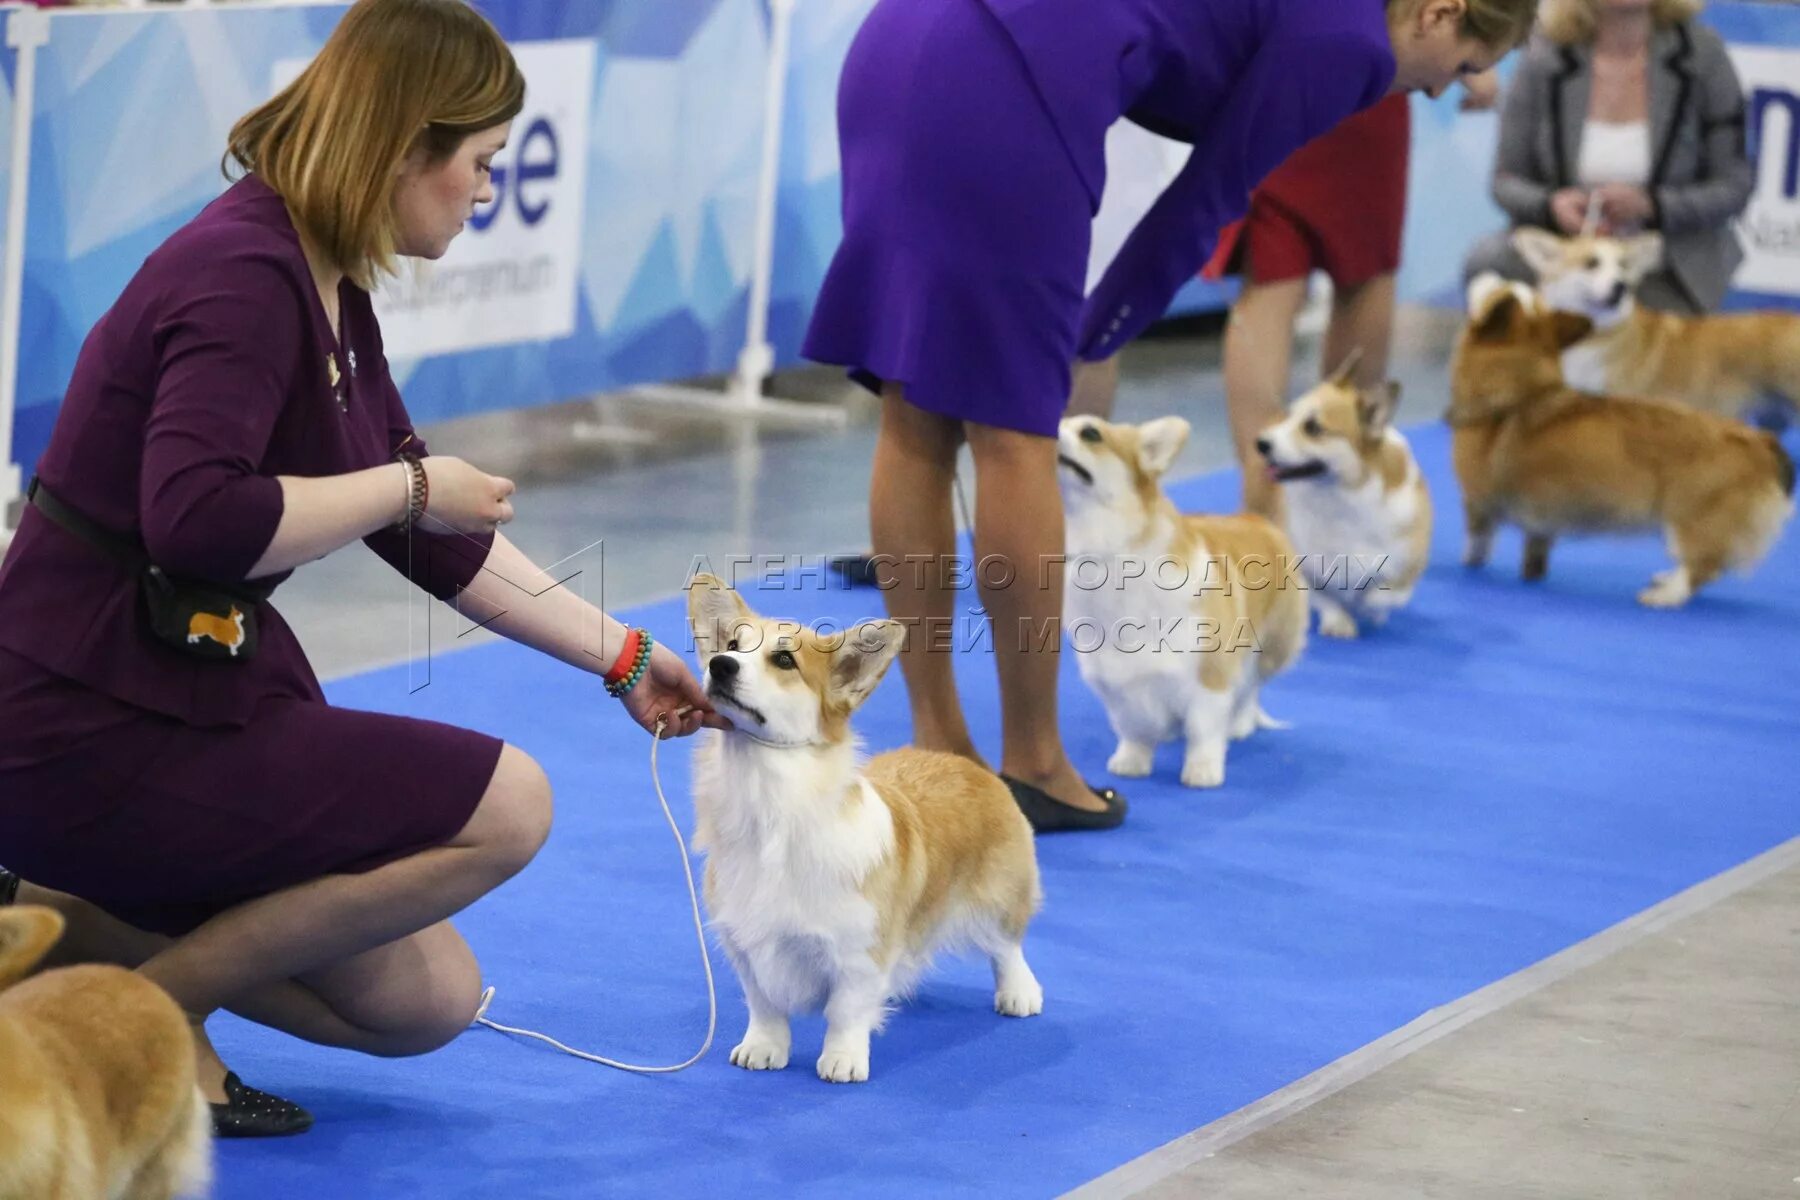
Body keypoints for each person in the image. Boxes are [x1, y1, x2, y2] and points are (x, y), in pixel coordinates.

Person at [0, 0, 720, 1138]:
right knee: (513, 806)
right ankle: (140, 1015)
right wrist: (414, 486)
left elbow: (426, 533)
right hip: (83, 716)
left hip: (163, 687)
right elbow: (198, 521)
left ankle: (60, 932)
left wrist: (622, 655)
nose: (489, 188)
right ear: (400, 148)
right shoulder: (242, 276)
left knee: (424, 1001)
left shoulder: (321, 276)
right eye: (480, 162)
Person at [803, 0, 1537, 833]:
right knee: (1013, 434)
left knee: (915, 415)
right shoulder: (1354, 40)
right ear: (1440, 13)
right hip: (1003, 78)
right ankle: (1037, 761)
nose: (1450, 90)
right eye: (1471, 62)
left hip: (899, 43)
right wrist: (1095, 330)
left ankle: (939, 739)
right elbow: (1210, 194)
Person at [1463, 0, 1753, 314]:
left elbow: (1734, 185)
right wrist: (1552, 205)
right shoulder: (1545, 54)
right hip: (1567, 253)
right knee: (1487, 263)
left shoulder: (1702, 54)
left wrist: (1653, 205)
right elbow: (1505, 181)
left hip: (1665, 261)